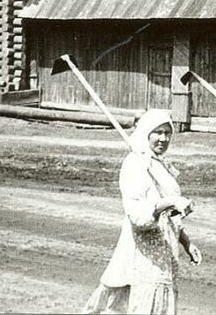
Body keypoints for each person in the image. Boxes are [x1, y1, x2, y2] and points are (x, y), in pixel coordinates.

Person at [84, 109, 202, 315]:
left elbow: (171, 217)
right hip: (143, 251)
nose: (163, 138)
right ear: (146, 133)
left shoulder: (159, 165)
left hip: (166, 251)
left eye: (168, 133)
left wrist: (187, 242)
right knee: (141, 304)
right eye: (158, 132)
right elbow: (138, 215)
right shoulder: (134, 164)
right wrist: (170, 202)